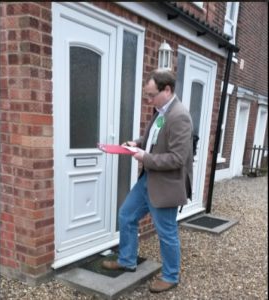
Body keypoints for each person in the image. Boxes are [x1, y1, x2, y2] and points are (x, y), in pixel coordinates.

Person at [102, 69, 193, 293]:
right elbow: (154, 137)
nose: (148, 100)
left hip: (166, 184)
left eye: (152, 95)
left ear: (168, 90)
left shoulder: (179, 115)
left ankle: (171, 276)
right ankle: (127, 260)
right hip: (148, 179)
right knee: (126, 215)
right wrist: (137, 142)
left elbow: (178, 158)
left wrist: (145, 157)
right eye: (147, 95)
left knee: (166, 231)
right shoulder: (161, 111)